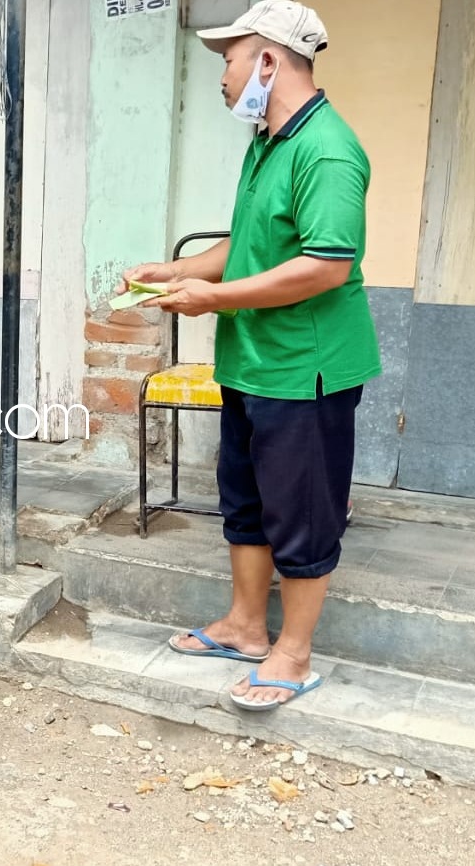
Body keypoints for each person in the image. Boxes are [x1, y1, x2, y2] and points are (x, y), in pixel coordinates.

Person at [120, 1, 381, 711]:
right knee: (245, 501)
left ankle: (292, 653)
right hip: (253, 360)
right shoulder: (268, 143)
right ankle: (242, 625)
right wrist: (176, 273)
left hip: (306, 369)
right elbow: (247, 246)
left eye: (229, 60)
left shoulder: (325, 149)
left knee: (300, 513)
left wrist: (216, 299)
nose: (224, 76)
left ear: (267, 60)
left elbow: (325, 265)